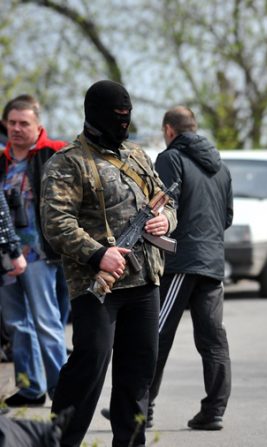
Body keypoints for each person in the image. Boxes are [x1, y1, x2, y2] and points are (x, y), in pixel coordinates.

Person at [40, 80, 177, 447]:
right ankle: (59, 440)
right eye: (117, 116)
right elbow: (56, 223)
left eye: (127, 116)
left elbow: (166, 202)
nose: (123, 122)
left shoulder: (137, 156)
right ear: (95, 115)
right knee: (88, 370)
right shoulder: (69, 163)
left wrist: (166, 222)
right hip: (97, 286)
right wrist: (99, 253)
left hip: (145, 283)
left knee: (137, 379)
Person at [147, 106, 233, 429]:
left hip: (180, 260)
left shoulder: (170, 159)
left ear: (169, 130)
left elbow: (163, 206)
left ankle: (140, 409)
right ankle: (214, 411)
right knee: (213, 339)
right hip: (212, 263)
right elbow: (226, 218)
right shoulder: (221, 166)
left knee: (155, 333)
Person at [0, 95, 68, 407]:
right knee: (16, 323)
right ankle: (31, 388)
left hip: (41, 254)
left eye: (23, 123)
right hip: (6, 256)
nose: (16, 128)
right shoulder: (2, 160)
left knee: (46, 321)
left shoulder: (55, 153)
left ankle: (61, 390)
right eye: (11, 122)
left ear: (38, 125)